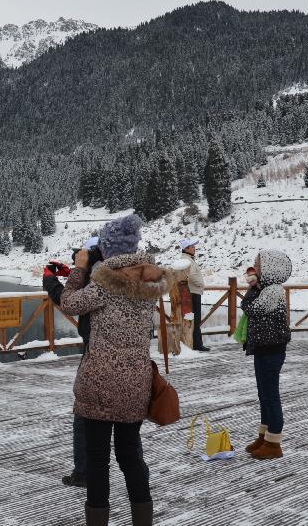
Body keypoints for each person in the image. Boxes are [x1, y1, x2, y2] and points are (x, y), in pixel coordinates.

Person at [60, 215, 174, 526]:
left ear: (107, 248)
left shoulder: (106, 282)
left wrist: (80, 267)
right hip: (136, 383)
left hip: (99, 383)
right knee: (130, 456)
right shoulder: (147, 280)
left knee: (97, 460)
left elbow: (69, 303)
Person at [42, 235, 102, 488]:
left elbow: (68, 302)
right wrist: (75, 273)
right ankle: (134, 476)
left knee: (84, 414)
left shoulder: (97, 283)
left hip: (95, 354)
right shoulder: (123, 277)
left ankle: (85, 472)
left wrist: (50, 280)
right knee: (125, 426)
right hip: (130, 361)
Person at [242, 249, 292, 459]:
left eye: (258, 265)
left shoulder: (272, 291)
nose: (255, 269)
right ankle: (265, 436)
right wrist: (255, 286)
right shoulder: (265, 288)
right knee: (264, 394)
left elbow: (250, 308)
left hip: (271, 350)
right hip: (263, 348)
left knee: (271, 395)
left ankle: (274, 443)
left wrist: (252, 288)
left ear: (270, 268)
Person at [180, 238, 210, 351]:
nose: (194, 248)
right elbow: (191, 276)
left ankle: (194, 343)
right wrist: (201, 284)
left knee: (194, 319)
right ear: (186, 248)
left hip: (192, 291)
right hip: (193, 292)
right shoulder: (188, 260)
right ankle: (197, 344)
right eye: (192, 247)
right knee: (195, 319)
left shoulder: (188, 259)